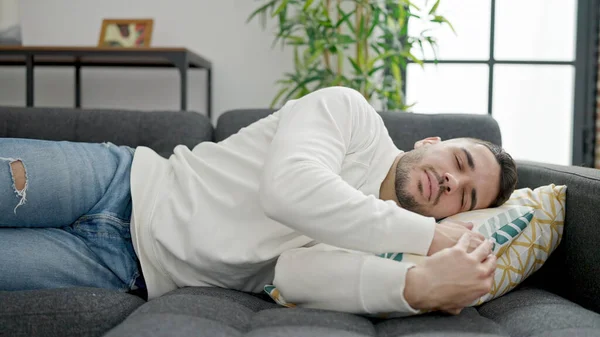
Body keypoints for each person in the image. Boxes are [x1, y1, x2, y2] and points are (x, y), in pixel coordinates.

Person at [0, 86, 517, 316]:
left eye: (466, 196)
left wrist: (419, 283)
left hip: (122, 268)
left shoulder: (385, 246)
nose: (451, 181)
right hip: (117, 179)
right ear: (432, 142)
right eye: (460, 162)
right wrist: (429, 236)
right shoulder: (349, 113)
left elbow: (294, 275)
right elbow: (289, 189)